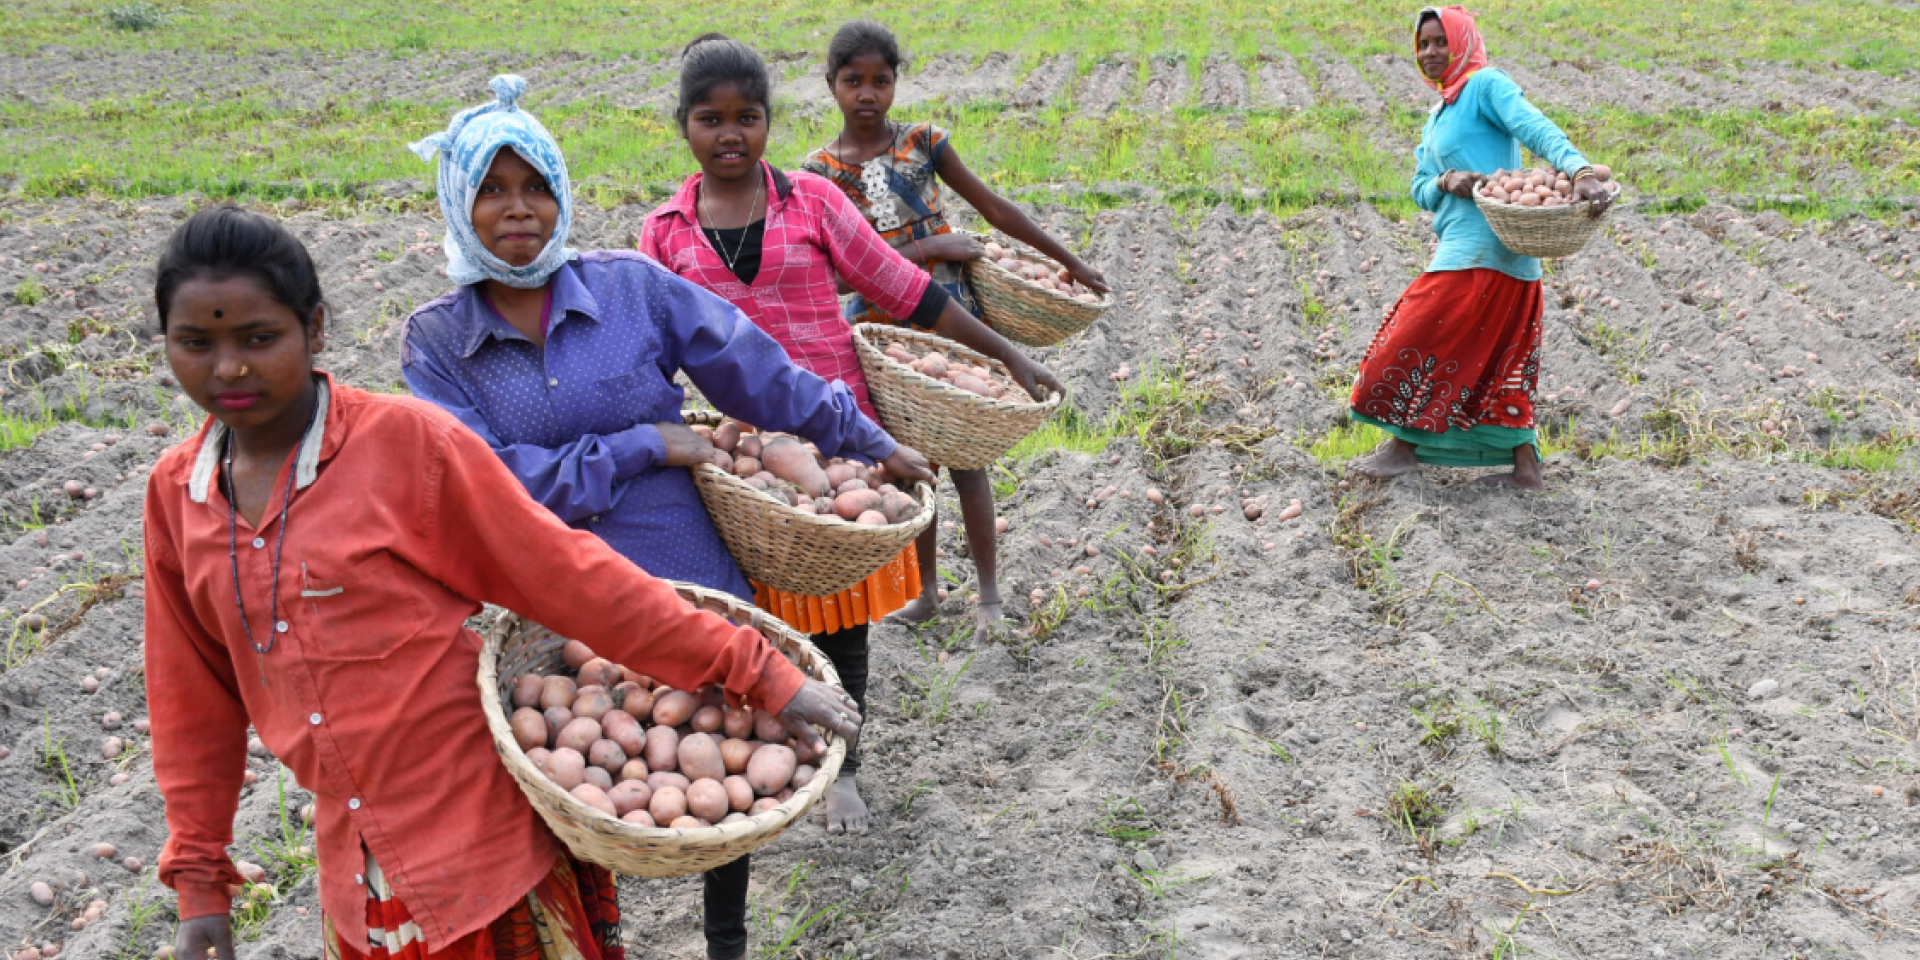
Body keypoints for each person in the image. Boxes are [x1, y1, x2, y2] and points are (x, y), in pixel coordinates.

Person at [145, 205, 862, 960]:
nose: (228, 368)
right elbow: (190, 696)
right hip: (358, 878)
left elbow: (568, 578)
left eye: (259, 339)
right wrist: (200, 883)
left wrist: (753, 668)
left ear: (315, 330)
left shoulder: (407, 448)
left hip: (485, 851)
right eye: (196, 343)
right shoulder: (177, 496)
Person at [397, 76, 922, 960]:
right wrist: (643, 445)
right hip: (551, 608)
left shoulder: (633, 289)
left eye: (536, 186)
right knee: (576, 795)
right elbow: (489, 489)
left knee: (721, 762)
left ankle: (727, 942)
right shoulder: (437, 343)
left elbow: (760, 374)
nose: (517, 210)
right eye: (492, 190)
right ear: (459, 202)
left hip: (685, 574)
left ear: (562, 193)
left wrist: (869, 440)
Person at [637, 36, 1064, 832]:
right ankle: (769, 758)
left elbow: (907, 291)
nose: (731, 134)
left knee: (839, 618)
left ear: (768, 121)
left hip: (837, 439)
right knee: (753, 617)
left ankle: (844, 771)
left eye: (748, 117)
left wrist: (1009, 354)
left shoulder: (814, 201)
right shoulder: (662, 234)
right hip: (741, 453)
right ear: (684, 126)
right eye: (711, 119)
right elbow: (647, 355)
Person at [799, 20, 1105, 625]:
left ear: (895, 83)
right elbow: (830, 277)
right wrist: (928, 250)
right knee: (909, 464)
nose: (867, 93)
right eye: (853, 81)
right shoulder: (818, 174)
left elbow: (994, 208)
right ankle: (928, 592)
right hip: (882, 335)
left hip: (948, 319)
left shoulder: (924, 142)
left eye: (880, 81)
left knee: (966, 457)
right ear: (830, 84)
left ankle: (988, 594)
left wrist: (1069, 261)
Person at [1348, 5, 1613, 489]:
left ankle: (1403, 448)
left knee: (1409, 341)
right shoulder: (1439, 112)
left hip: (1480, 251)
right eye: (1423, 44)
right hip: (1489, 254)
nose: (1430, 52)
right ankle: (1526, 468)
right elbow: (1419, 186)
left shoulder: (1485, 85)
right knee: (1500, 363)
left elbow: (1534, 126)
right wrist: (1447, 180)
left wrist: (1580, 171)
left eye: (1440, 41)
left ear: (1463, 42)